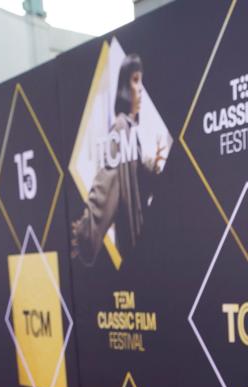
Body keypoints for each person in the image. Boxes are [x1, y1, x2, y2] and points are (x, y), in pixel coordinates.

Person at [71, 53, 166, 265]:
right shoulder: (120, 128)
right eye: (135, 80)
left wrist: (152, 164)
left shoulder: (130, 130)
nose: (140, 88)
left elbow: (137, 175)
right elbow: (108, 178)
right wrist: (87, 229)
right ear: (124, 86)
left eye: (141, 80)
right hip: (133, 244)